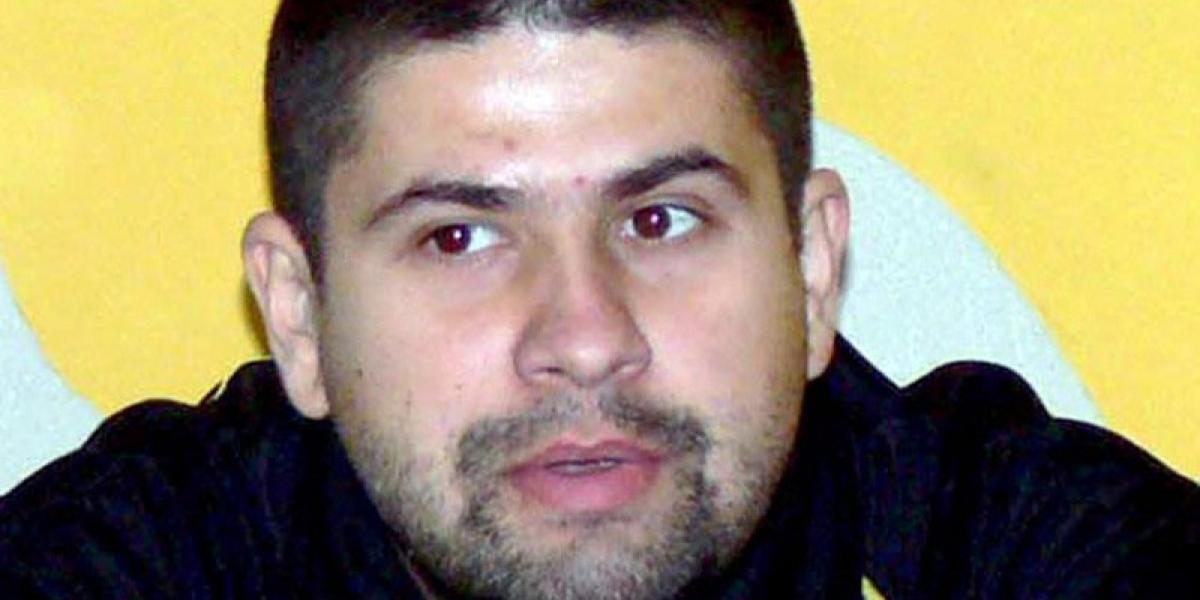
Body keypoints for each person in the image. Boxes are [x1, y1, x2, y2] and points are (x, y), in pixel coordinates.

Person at [1, 1, 1197, 598]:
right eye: (460, 237)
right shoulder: (130, 562)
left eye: (659, 220)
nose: (584, 339)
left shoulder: (1039, 550)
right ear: (301, 317)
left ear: (811, 266)